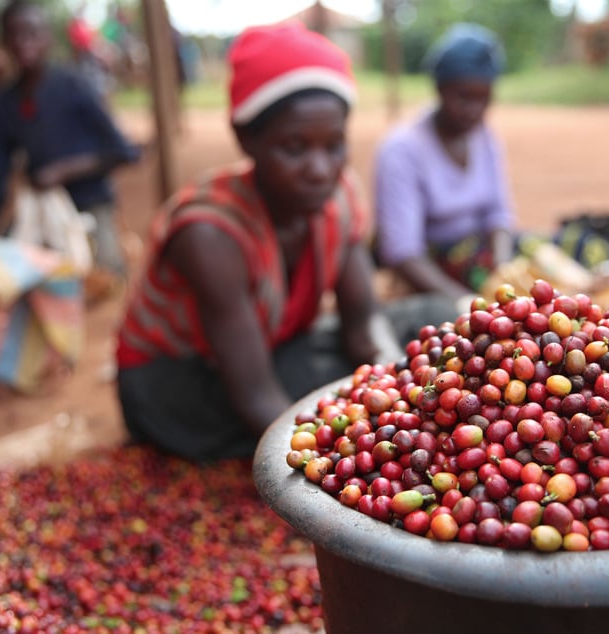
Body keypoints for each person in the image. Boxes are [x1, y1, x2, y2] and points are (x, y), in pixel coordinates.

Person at [115, 22, 454, 462]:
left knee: (435, 320)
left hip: (269, 350)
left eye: (334, 146)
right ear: (246, 139)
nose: (319, 169)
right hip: (186, 385)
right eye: (294, 148)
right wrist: (341, 463)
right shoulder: (210, 233)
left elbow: (362, 321)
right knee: (323, 390)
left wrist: (394, 390)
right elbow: (256, 394)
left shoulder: (339, 195)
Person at [373, 22, 609, 365]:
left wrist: (502, 267)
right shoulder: (402, 150)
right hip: (438, 264)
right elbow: (402, 252)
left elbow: (498, 215)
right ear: (439, 88)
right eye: (463, 97)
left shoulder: (481, 135)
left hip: (487, 249)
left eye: (483, 98)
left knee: (576, 248)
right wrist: (465, 300)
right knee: (525, 305)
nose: (474, 110)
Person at [0, 0, 140, 281]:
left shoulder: (74, 86)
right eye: (14, 34)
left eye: (31, 33)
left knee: (102, 278)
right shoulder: (3, 104)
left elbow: (123, 152)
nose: (22, 42)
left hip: (90, 202)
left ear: (47, 38)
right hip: (42, 207)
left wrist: (63, 171)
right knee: (10, 272)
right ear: (4, 40)